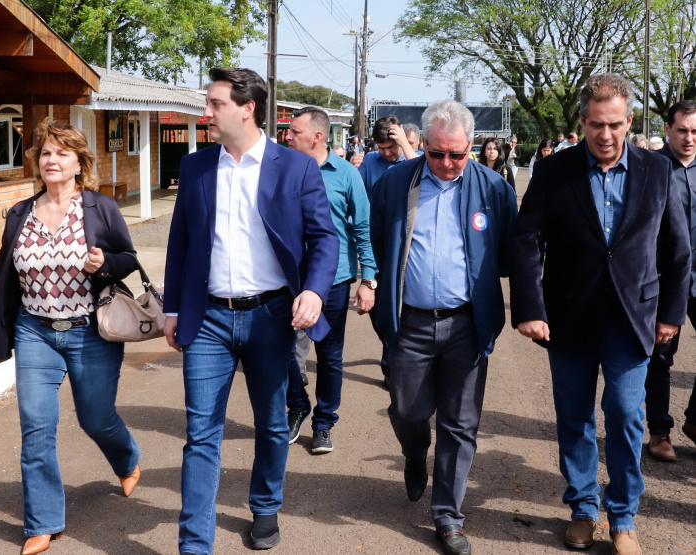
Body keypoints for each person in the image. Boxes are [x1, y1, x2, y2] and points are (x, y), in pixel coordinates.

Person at [510, 73, 690, 555]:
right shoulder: (554, 171)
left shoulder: (658, 171)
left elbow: (677, 250)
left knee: (628, 416)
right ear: (582, 122)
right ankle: (583, 508)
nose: (605, 135)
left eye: (614, 124)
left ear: (630, 121)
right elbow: (527, 240)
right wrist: (529, 306)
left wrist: (672, 313)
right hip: (569, 318)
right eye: (595, 125)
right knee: (573, 418)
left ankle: (624, 516)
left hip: (635, 321)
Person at [163, 68, 339, 554]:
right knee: (201, 432)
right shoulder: (197, 165)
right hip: (209, 320)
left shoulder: (295, 167)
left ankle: (265, 507)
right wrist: (172, 308)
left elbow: (325, 239)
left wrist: (316, 291)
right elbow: (180, 243)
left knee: (271, 421)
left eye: (215, 104)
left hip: (272, 316)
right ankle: (194, 542)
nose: (206, 113)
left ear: (247, 109)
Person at [0, 120, 142, 555]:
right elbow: (4, 277)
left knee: (95, 418)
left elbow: (129, 259)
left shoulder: (100, 208)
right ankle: (42, 522)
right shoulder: (20, 213)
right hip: (34, 332)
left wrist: (103, 264)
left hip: (90, 331)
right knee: (36, 428)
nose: (52, 160)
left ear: (79, 161)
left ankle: (127, 458)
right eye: (45, 153)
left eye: (62, 153)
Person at [370, 99, 517, 555]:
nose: (448, 164)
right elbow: (373, 240)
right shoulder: (396, 183)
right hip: (410, 323)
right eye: (438, 154)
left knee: (460, 423)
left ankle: (448, 516)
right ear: (424, 145)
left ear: (472, 147)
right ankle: (415, 455)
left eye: (458, 154)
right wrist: (369, 284)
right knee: (408, 413)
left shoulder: (494, 189)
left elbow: (514, 254)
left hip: (466, 325)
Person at [284, 106, 376, 453]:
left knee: (329, 355)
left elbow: (363, 229)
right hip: (288, 279)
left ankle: (324, 423)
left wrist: (369, 280)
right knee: (278, 350)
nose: (287, 137)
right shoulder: (282, 170)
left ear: (317, 136)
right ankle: (298, 405)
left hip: (334, 280)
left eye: (294, 132)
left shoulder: (346, 175)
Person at [643, 100, 696, 462]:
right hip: (664, 279)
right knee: (661, 357)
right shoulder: (652, 169)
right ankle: (660, 432)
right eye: (683, 130)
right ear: (667, 128)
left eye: (695, 132)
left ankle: (695, 420)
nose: (690, 138)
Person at [354, 115, 420, 192]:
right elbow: (355, 190)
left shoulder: (417, 157)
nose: (387, 153)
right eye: (381, 148)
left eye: (390, 147)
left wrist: (405, 143)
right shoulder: (369, 159)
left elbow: (419, 173)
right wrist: (351, 168)